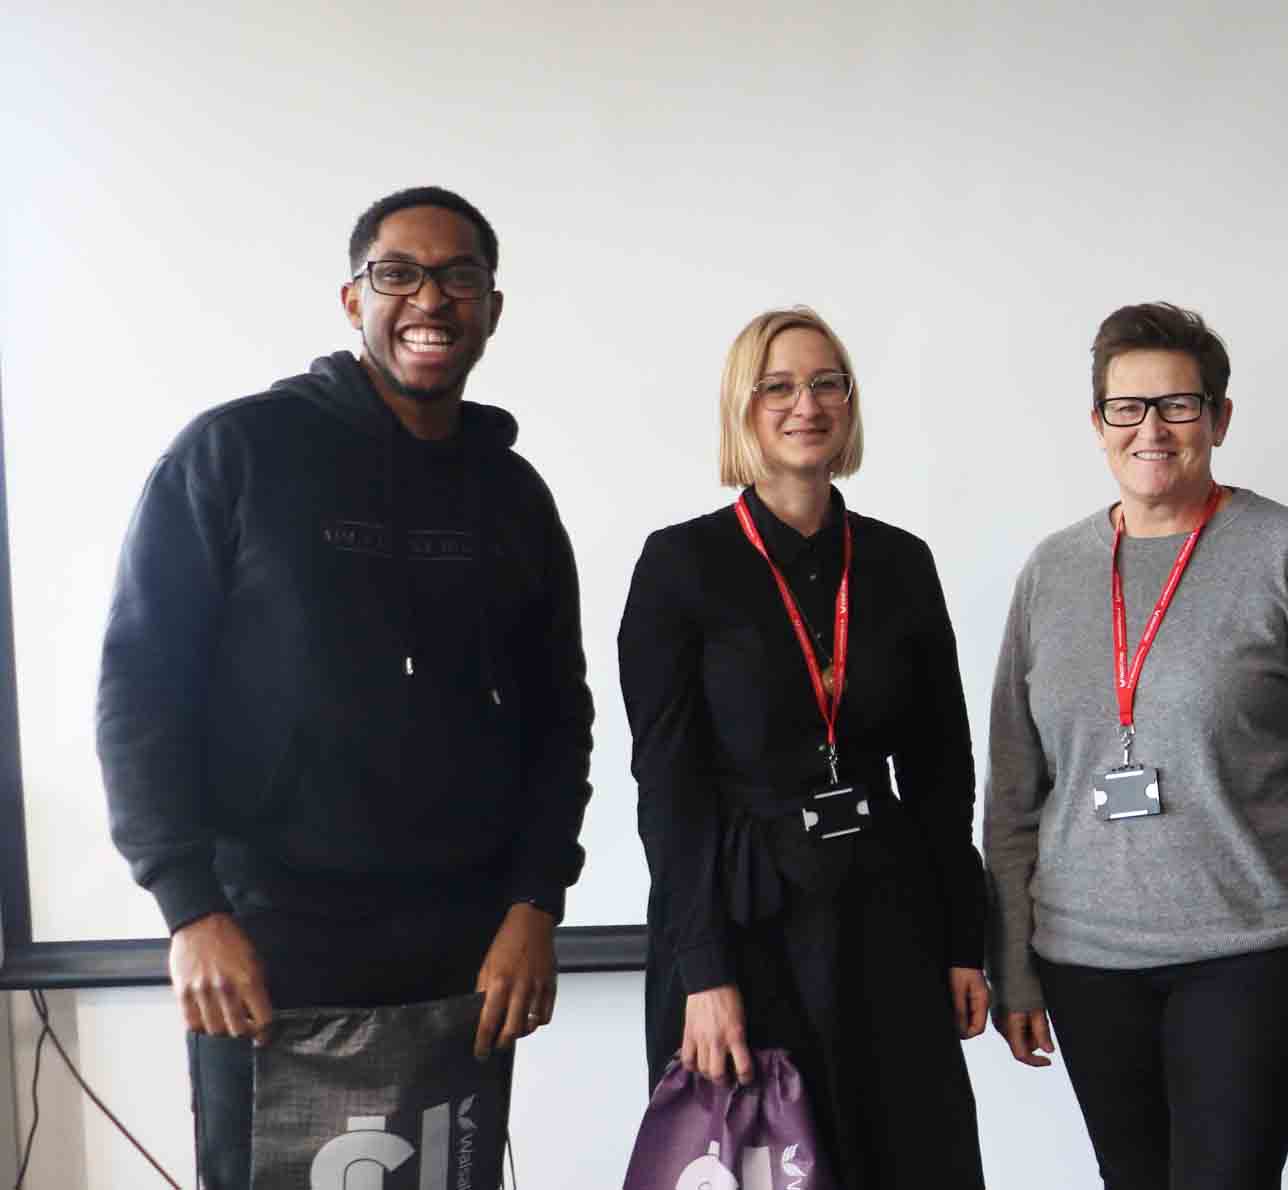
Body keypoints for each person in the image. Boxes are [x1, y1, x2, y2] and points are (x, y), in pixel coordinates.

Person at [96, 186, 592, 1189]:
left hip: (461, 955)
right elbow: (141, 691)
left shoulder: (512, 495)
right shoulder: (235, 452)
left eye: (461, 276)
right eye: (398, 272)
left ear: (493, 307)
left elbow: (557, 719)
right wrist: (190, 908)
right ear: (351, 297)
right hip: (270, 947)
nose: (431, 299)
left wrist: (537, 901)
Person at [979, 301, 1288, 1190]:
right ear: (1098, 425)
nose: (1152, 428)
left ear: (1217, 417)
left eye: (1178, 404)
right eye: (1127, 407)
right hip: (1086, 962)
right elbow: (1014, 789)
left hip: (1253, 955)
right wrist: (1013, 966)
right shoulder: (1052, 572)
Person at [619, 307, 991, 1186]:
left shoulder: (901, 562)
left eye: (828, 383)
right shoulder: (680, 565)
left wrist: (964, 941)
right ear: (741, 408)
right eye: (778, 386)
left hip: (887, 925)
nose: (806, 405)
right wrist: (700, 973)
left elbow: (942, 768)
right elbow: (667, 789)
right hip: (745, 931)